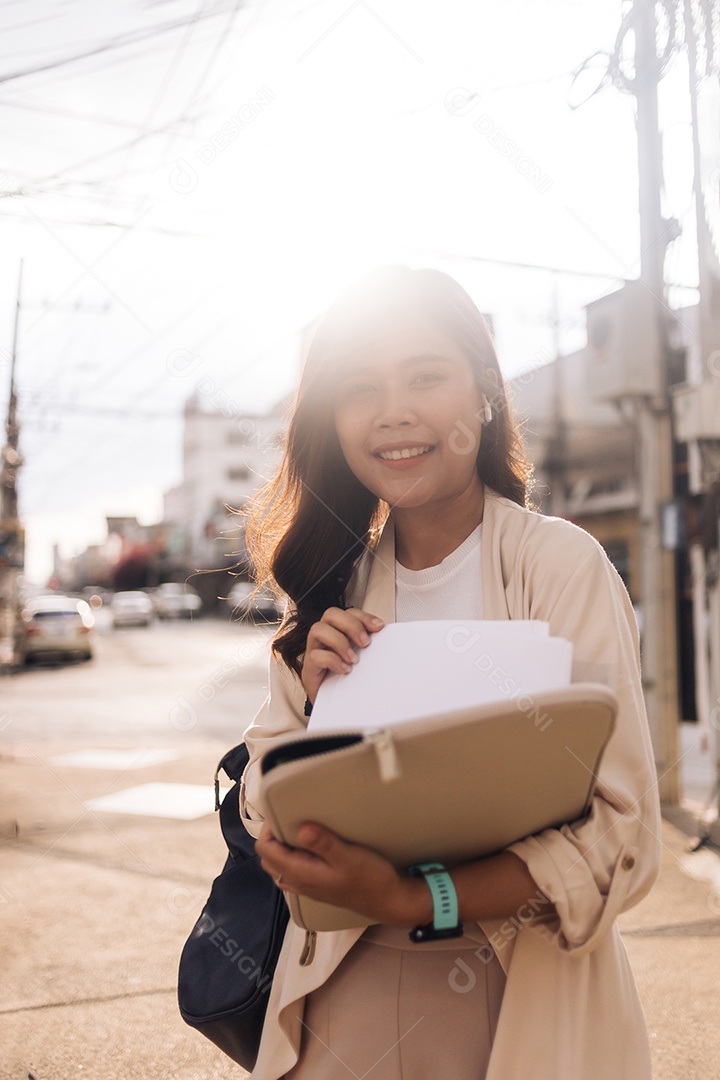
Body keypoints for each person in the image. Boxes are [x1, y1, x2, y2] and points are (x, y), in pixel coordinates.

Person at [239, 265, 661, 1080]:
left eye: (426, 376)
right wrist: (320, 731)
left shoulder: (562, 565)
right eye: (361, 387)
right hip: (341, 981)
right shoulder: (333, 588)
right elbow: (262, 804)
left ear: (484, 394)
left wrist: (413, 896)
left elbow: (622, 837)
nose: (394, 411)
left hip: (526, 985)